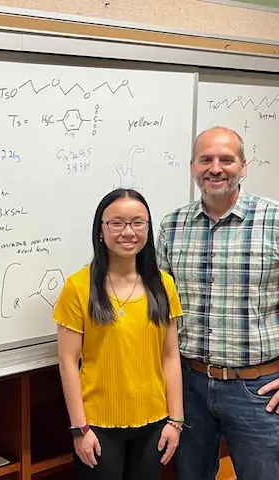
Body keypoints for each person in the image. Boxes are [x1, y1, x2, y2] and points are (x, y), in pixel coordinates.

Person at [157, 126, 279, 480]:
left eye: (226, 159)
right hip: (188, 387)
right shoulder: (173, 225)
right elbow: (160, 308)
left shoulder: (273, 220)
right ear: (192, 166)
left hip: (258, 390)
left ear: (244, 166)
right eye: (205, 159)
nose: (216, 168)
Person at [54, 188, 184, 480]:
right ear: (101, 230)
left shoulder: (163, 285)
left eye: (138, 222)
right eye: (117, 223)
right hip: (98, 427)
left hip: (155, 423)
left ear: (148, 229)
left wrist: (175, 421)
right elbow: (67, 362)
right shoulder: (78, 287)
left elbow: (170, 355)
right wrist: (80, 429)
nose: (128, 231)